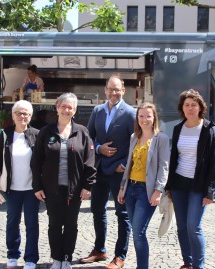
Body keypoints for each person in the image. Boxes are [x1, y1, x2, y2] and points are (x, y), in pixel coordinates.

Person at [31, 93, 96, 269]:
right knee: (54, 224)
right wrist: (37, 186)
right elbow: (36, 161)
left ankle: (67, 258)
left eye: (71, 107)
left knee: (71, 225)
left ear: (75, 110)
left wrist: (87, 186)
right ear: (57, 107)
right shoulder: (46, 131)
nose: (67, 110)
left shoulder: (82, 132)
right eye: (64, 106)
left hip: (74, 190)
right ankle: (56, 259)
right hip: (52, 189)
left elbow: (90, 161)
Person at [81, 74, 136, 269]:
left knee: (122, 214)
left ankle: (119, 256)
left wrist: (124, 165)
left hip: (119, 171)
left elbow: (135, 143)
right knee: (98, 211)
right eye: (110, 89)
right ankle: (99, 250)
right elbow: (88, 138)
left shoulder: (130, 113)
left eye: (117, 89)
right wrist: (98, 148)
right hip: (99, 170)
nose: (114, 93)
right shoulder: (97, 111)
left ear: (123, 91)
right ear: (105, 90)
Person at [165, 89, 215, 269]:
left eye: (193, 105)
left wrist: (210, 191)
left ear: (200, 107)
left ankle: (199, 266)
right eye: (187, 105)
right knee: (181, 226)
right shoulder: (178, 128)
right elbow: (174, 158)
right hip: (179, 184)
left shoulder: (210, 130)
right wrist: (169, 186)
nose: (190, 108)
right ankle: (187, 262)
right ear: (182, 108)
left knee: (193, 226)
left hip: (199, 185)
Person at [117, 102, 170, 269]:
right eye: (141, 116)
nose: (144, 119)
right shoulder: (134, 137)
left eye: (148, 116)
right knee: (136, 232)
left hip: (146, 191)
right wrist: (122, 188)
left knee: (139, 232)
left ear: (154, 117)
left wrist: (158, 190)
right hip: (131, 188)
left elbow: (164, 166)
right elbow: (129, 164)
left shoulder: (161, 138)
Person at [0, 100, 40, 269]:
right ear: (13, 115)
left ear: (30, 116)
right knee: (12, 222)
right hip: (11, 189)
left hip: (31, 190)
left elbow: (43, 163)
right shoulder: (5, 134)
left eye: (25, 113)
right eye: (19, 113)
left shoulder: (36, 134)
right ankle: (12, 255)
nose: (22, 116)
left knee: (32, 223)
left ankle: (31, 258)